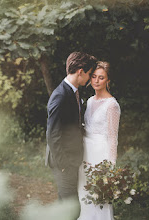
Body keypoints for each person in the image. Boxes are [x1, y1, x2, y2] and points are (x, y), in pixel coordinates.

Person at [45, 52, 97, 215]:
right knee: (72, 211)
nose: (89, 79)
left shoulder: (73, 91)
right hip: (63, 162)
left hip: (71, 160)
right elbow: (52, 134)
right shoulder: (60, 95)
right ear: (81, 71)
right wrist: (63, 165)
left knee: (64, 208)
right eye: (89, 74)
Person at [77, 61, 121, 220]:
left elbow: (113, 138)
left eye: (101, 78)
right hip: (85, 153)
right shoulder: (89, 101)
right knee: (84, 193)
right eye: (94, 76)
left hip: (100, 155)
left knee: (99, 197)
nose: (96, 81)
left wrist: (110, 168)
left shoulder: (112, 105)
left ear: (108, 81)